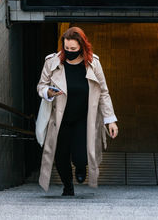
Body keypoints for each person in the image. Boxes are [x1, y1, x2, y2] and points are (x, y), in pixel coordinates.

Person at [36, 26, 119, 196]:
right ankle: (68, 186)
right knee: (60, 158)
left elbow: (103, 92)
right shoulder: (52, 63)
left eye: (73, 49)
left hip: (83, 118)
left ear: (82, 46)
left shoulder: (93, 64)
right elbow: (41, 86)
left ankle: (81, 167)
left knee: (81, 156)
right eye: (66, 48)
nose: (69, 52)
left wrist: (110, 120)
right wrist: (48, 93)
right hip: (59, 120)